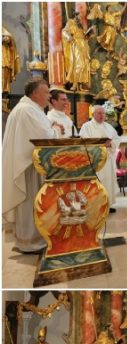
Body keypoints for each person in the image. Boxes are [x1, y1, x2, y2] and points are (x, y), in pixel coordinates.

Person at [2, 79, 55, 253]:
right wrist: (55, 130)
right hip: (29, 167)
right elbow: (44, 136)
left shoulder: (29, 109)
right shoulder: (27, 111)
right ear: (35, 94)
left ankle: (30, 239)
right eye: (46, 92)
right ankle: (30, 243)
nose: (49, 96)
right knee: (31, 202)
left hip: (29, 163)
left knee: (32, 204)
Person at [79, 104, 120, 214]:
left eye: (103, 113)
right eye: (99, 113)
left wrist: (110, 143)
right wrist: (99, 145)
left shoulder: (109, 127)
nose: (102, 115)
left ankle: (108, 204)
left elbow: (116, 139)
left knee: (108, 181)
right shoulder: (86, 126)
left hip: (108, 160)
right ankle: (95, 206)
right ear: (93, 114)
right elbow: (83, 142)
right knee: (97, 182)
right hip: (95, 160)